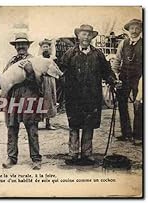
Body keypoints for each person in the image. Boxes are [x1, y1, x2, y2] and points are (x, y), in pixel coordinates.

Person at [60, 24, 118, 165]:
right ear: (78, 36)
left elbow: (106, 71)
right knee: (74, 124)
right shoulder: (69, 54)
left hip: (92, 95)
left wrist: (113, 80)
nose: (86, 37)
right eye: (83, 34)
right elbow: (60, 72)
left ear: (92, 37)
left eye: (88, 35)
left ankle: (87, 154)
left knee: (89, 124)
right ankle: (73, 154)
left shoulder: (98, 54)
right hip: (74, 96)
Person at [0, 32, 42, 170]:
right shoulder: (11, 62)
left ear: (28, 45)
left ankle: (36, 159)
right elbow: (3, 84)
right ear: (15, 46)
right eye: (18, 44)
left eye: (23, 44)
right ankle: (11, 158)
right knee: (12, 128)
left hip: (29, 97)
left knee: (32, 128)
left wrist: (30, 72)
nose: (21, 47)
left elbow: (39, 82)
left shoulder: (33, 61)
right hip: (12, 98)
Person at [112, 19, 142, 142]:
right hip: (124, 77)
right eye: (131, 28)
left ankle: (138, 135)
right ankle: (126, 133)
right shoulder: (123, 43)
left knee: (139, 105)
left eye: (136, 28)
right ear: (128, 30)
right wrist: (115, 75)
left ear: (141, 30)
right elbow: (117, 60)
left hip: (139, 78)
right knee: (122, 105)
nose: (134, 31)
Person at [38, 38, 63, 130]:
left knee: (50, 100)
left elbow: (56, 69)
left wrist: (61, 74)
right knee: (40, 101)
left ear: (49, 48)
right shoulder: (38, 59)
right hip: (41, 81)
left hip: (50, 81)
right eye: (44, 47)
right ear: (41, 48)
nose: (45, 48)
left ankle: (48, 123)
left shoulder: (52, 58)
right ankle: (37, 124)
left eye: (47, 47)